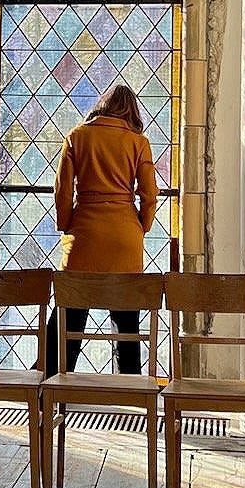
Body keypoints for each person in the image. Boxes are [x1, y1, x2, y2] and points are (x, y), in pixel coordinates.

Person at [44, 83, 158, 375]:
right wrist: (140, 226)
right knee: (126, 324)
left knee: (68, 315)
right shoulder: (138, 142)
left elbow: (62, 190)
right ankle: (127, 390)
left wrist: (66, 223)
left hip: (84, 234)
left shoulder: (77, 136)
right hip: (124, 237)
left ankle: (55, 384)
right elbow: (149, 193)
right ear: (131, 112)